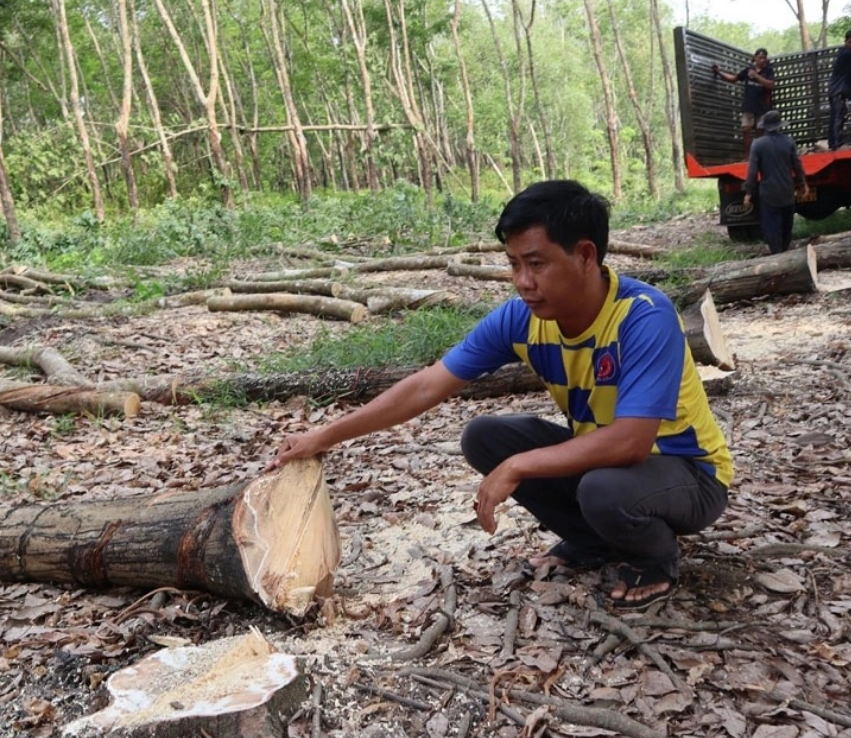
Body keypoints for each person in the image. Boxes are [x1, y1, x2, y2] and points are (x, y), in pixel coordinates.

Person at [270, 180, 732, 610]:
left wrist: (518, 466)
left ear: (586, 255)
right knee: (486, 437)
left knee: (602, 488)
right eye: (513, 264)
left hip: (689, 474)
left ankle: (656, 560)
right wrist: (325, 435)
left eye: (537, 264)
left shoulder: (642, 316)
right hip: (611, 467)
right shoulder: (521, 318)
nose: (522, 282)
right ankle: (592, 543)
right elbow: (428, 384)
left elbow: (630, 442)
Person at [745, 110, 809, 255]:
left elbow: (752, 172)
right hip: (787, 192)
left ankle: (777, 256)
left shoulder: (757, 145)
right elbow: (797, 165)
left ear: (765, 127)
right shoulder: (789, 142)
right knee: (787, 228)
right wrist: (803, 183)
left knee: (772, 229)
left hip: (769, 195)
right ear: (779, 125)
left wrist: (748, 193)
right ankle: (784, 253)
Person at [714, 49, 775, 156]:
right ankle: (748, 156)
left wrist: (756, 76)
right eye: (760, 57)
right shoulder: (748, 70)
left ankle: (761, 156)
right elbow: (734, 78)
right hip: (748, 106)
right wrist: (719, 73)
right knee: (746, 130)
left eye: (764, 57)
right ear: (755, 58)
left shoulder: (768, 71)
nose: (762, 60)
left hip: (763, 107)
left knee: (760, 131)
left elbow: (770, 84)